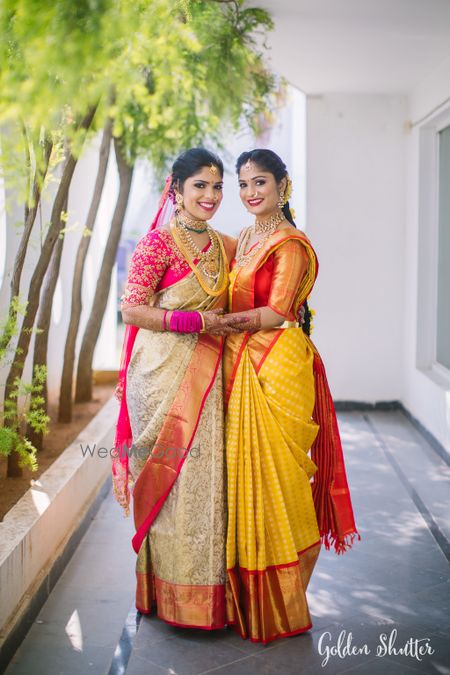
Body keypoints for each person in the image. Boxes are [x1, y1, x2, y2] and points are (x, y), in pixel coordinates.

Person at [222, 149, 359, 644]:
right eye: (242, 184)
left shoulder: (290, 243)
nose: (250, 192)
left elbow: (277, 312)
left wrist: (211, 325)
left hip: (276, 361)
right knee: (245, 477)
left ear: (284, 185)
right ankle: (245, 599)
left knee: (281, 475)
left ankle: (282, 600)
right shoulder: (244, 238)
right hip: (239, 360)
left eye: (259, 182)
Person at [112, 148, 247, 630]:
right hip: (163, 377)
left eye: (217, 187)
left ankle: (209, 594)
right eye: (200, 187)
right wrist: (193, 320)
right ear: (177, 190)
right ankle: (168, 597)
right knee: (172, 486)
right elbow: (132, 310)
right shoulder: (156, 245)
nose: (210, 196)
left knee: (209, 483)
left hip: (210, 378)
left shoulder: (228, 245)